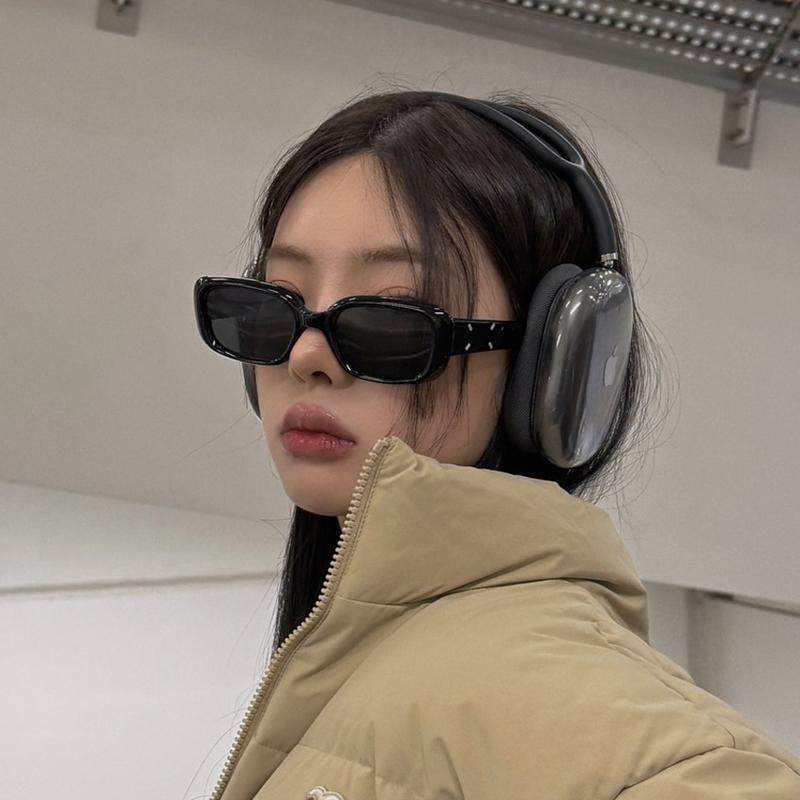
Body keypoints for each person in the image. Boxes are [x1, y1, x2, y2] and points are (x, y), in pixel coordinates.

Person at [193, 88, 800, 799]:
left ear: (555, 364)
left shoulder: (605, 727)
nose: (304, 356)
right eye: (277, 304)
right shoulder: (360, 678)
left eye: (391, 318)